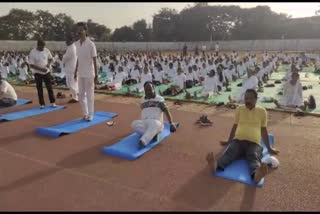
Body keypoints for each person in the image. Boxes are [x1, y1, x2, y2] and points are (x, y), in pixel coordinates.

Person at [206, 89, 280, 184]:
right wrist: (229, 141)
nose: (247, 100)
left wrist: (269, 148)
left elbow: (263, 129)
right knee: (230, 153)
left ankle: (257, 175)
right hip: (238, 141)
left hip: (254, 143)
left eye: (250, 98)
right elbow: (235, 125)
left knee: (254, 156)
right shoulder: (239, 109)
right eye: (246, 98)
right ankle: (215, 165)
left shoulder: (262, 111)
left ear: (256, 99)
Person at [131, 81, 178, 148]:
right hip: (145, 122)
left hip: (156, 123)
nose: (148, 91)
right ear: (144, 90)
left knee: (154, 124)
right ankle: (153, 134)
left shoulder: (160, 99)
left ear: (153, 88)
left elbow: (166, 111)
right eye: (146, 90)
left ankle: (143, 141)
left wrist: (171, 123)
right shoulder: (142, 99)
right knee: (134, 124)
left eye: (150, 89)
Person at [74, 22, 98, 121]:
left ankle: (91, 114)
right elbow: (78, 59)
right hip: (80, 73)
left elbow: (95, 60)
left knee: (89, 95)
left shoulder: (91, 44)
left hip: (89, 74)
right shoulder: (76, 44)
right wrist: (75, 71)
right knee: (80, 95)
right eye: (78, 30)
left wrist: (96, 74)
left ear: (85, 31)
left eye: (81, 30)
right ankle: (85, 113)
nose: (79, 32)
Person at [29, 39, 56, 109]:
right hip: (37, 73)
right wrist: (41, 69)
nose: (43, 48)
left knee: (49, 87)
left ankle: (52, 102)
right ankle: (42, 104)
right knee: (39, 88)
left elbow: (50, 58)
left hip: (46, 72)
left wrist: (48, 64)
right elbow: (31, 65)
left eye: (44, 47)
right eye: (41, 47)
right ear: (38, 45)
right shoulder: (33, 52)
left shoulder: (46, 50)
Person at [63, 34, 78, 103]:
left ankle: (75, 97)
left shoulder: (71, 48)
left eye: (67, 40)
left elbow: (65, 59)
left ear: (71, 40)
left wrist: (63, 56)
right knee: (73, 83)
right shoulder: (71, 47)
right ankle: (75, 96)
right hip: (71, 68)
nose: (66, 41)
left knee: (70, 84)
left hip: (71, 68)